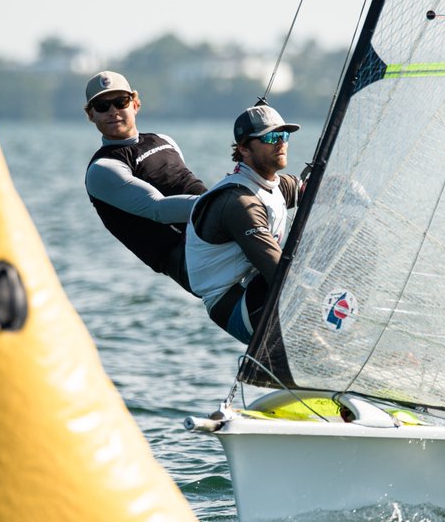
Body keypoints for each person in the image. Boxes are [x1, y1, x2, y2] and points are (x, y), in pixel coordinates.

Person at [185, 103, 302, 343]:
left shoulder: (275, 185)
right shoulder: (239, 202)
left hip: (257, 288)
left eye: (284, 135)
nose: (280, 143)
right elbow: (277, 272)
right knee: (298, 272)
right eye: (270, 137)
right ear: (244, 149)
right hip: (235, 306)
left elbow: (314, 189)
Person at [83, 70, 207, 294]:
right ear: (90, 114)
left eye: (120, 102)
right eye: (102, 106)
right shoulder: (102, 168)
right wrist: (222, 205)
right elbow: (158, 208)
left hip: (215, 228)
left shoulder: (164, 140)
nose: (113, 111)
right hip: (185, 257)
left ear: (136, 103)